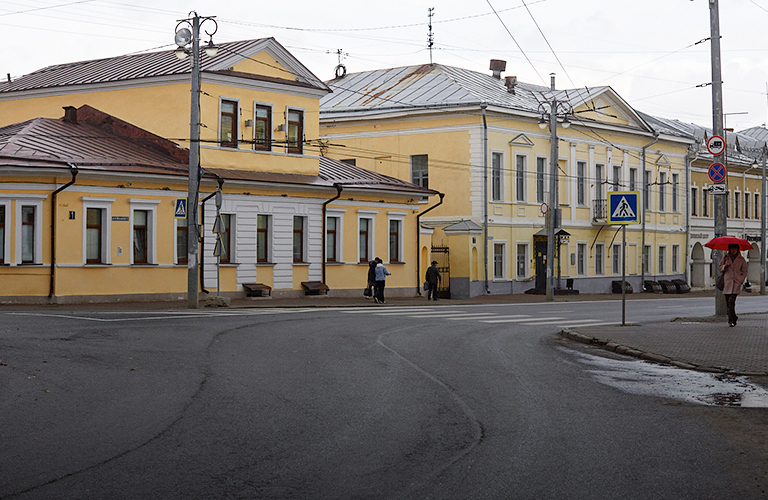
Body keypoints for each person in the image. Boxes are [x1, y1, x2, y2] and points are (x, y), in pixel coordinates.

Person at [719, 243, 748, 327]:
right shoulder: (725, 258)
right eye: (732, 249)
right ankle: (734, 317)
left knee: (731, 302)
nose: (733, 250)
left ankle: (731, 321)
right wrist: (725, 265)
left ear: (737, 249)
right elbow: (720, 267)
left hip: (736, 283)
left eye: (735, 249)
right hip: (727, 283)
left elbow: (744, 272)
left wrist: (740, 280)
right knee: (728, 304)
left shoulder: (741, 259)